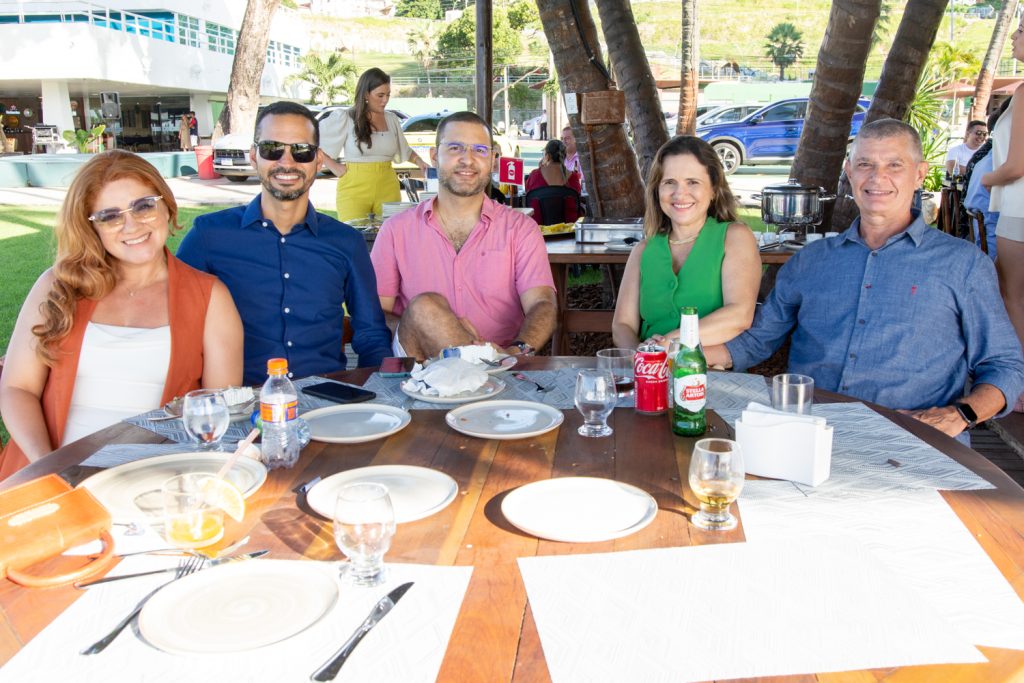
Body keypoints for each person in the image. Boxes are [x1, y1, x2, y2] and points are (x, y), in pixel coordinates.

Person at [705, 118, 1024, 439]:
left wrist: (960, 414)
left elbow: (1006, 366)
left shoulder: (963, 264)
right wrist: (674, 352)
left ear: (919, 174)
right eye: (865, 164)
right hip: (811, 434)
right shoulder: (809, 261)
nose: (877, 177)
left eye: (894, 165)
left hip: (914, 439)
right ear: (850, 171)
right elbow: (754, 342)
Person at [0, 151, 243, 480]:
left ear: (166, 205)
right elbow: (17, 388)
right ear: (91, 227)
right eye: (110, 216)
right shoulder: (58, 287)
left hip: (153, 483)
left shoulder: (211, 297)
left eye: (144, 205)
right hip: (45, 470)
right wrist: (50, 467)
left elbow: (219, 415)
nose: (132, 225)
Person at [177, 101, 391, 385]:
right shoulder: (209, 236)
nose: (286, 162)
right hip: (240, 403)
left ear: (318, 159)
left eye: (301, 151)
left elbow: (371, 334)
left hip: (325, 401)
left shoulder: (346, 242)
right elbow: (175, 326)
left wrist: (379, 394)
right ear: (254, 157)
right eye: (271, 149)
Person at [370, 111, 557, 360]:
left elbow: (542, 305)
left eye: (480, 150)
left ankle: (481, 372)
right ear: (435, 156)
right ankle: (479, 371)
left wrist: (516, 351)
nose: (467, 160)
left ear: (492, 160)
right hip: (421, 367)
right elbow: (375, 313)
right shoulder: (396, 230)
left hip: (502, 362)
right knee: (426, 308)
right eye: (456, 148)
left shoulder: (520, 229)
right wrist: (422, 326)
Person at [611, 136, 760, 349]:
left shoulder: (734, 237)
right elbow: (622, 325)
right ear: (657, 190)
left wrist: (668, 344)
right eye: (670, 182)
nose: (680, 193)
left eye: (693, 182)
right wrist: (643, 359)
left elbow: (739, 315)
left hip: (712, 373)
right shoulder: (643, 251)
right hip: (651, 373)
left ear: (714, 189)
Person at [319, 68, 429, 222]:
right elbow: (313, 140)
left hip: (388, 185)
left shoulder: (392, 119)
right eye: (380, 95)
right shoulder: (346, 117)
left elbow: (404, 149)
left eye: (388, 95)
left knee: (391, 238)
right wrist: (334, 167)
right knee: (354, 238)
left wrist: (420, 162)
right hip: (353, 187)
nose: (385, 100)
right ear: (365, 94)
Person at [524, 139, 582, 223]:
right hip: (568, 230)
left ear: (547, 156)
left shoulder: (534, 175)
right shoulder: (573, 177)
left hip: (539, 229)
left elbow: (528, 193)